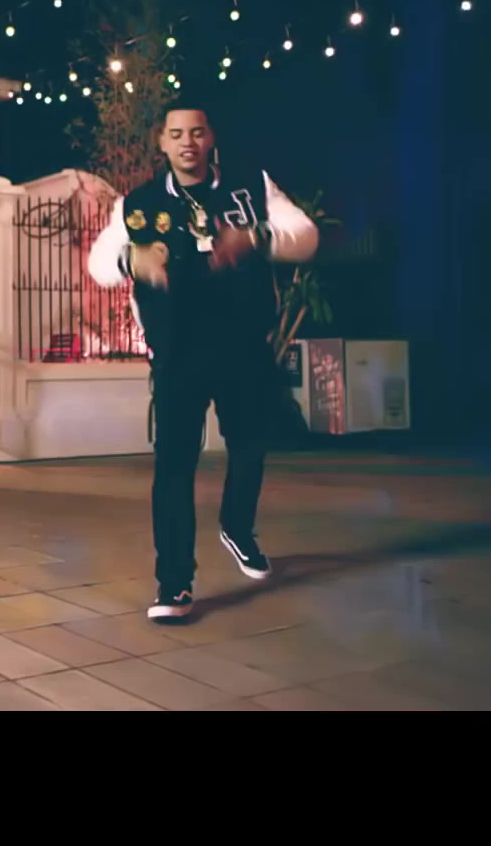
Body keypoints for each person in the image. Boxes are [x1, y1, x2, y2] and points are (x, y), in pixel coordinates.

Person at [87, 101, 320, 621]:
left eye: (196, 132)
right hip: (178, 351)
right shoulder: (138, 203)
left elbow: (306, 236)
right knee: (173, 466)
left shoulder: (250, 188)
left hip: (243, 346)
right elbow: (99, 263)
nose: (187, 142)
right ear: (162, 143)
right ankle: (174, 584)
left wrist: (255, 238)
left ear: (211, 138)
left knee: (250, 445)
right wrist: (132, 258)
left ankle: (237, 526)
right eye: (176, 134)